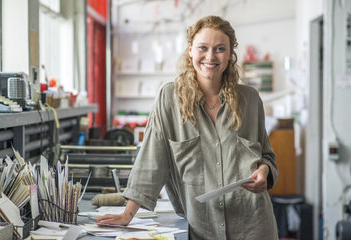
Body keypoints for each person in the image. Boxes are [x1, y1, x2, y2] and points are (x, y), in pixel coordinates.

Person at [96, 15, 279, 240]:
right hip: (201, 228)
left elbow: (267, 157)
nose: (210, 56)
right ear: (191, 49)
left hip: (252, 226)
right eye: (203, 47)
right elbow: (153, 159)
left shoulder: (250, 99)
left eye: (220, 49)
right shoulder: (169, 98)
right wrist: (127, 214)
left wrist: (264, 170)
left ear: (230, 54)